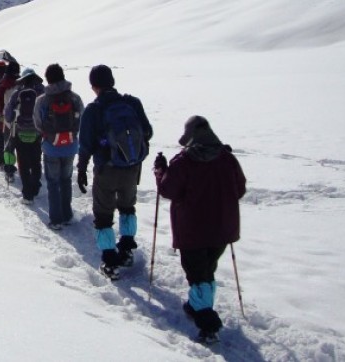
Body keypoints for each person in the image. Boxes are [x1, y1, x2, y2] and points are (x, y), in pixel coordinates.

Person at [154, 115, 246, 344]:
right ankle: (197, 305)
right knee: (206, 269)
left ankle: (208, 323)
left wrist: (160, 173)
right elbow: (240, 188)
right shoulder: (227, 159)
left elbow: (168, 190)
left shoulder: (184, 161)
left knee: (197, 274)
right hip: (222, 228)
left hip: (192, 229)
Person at [77, 64, 153, 280]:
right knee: (128, 208)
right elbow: (147, 131)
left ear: (94, 86)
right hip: (131, 167)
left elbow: (85, 144)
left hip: (106, 170)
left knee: (103, 215)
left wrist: (81, 168)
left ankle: (110, 261)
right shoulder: (132, 103)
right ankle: (127, 250)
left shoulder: (94, 110)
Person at [33, 64, 83, 230]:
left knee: (53, 182)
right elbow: (80, 120)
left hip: (51, 147)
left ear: (48, 79)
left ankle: (55, 219)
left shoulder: (42, 100)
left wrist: (48, 135)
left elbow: (38, 123)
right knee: (66, 179)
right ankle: (67, 214)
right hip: (70, 145)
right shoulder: (75, 98)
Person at [3, 67, 45, 203]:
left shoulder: (17, 93)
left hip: (19, 132)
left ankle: (27, 195)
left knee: (24, 163)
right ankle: (36, 186)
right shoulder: (42, 92)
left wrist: (10, 121)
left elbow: (8, 113)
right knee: (36, 160)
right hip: (38, 132)